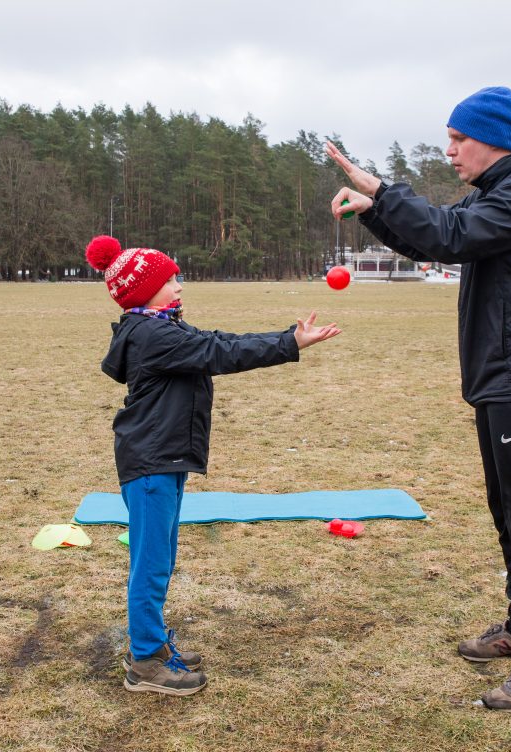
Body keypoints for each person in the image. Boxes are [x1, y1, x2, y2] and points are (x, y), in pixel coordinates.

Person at [326, 86, 511, 713]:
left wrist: (381, 189)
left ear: (493, 138)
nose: (450, 149)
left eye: (459, 139)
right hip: (500, 377)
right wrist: (372, 210)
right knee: (508, 510)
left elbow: (447, 231)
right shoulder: (500, 192)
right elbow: (434, 239)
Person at [85, 235, 340, 697]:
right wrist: (289, 344)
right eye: (169, 279)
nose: (179, 286)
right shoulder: (152, 335)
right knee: (151, 562)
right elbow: (222, 354)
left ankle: (154, 643)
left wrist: (289, 339)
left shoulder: (159, 326)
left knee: (161, 556)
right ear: (143, 291)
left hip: (163, 456)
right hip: (151, 462)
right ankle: (144, 661)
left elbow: (218, 341)